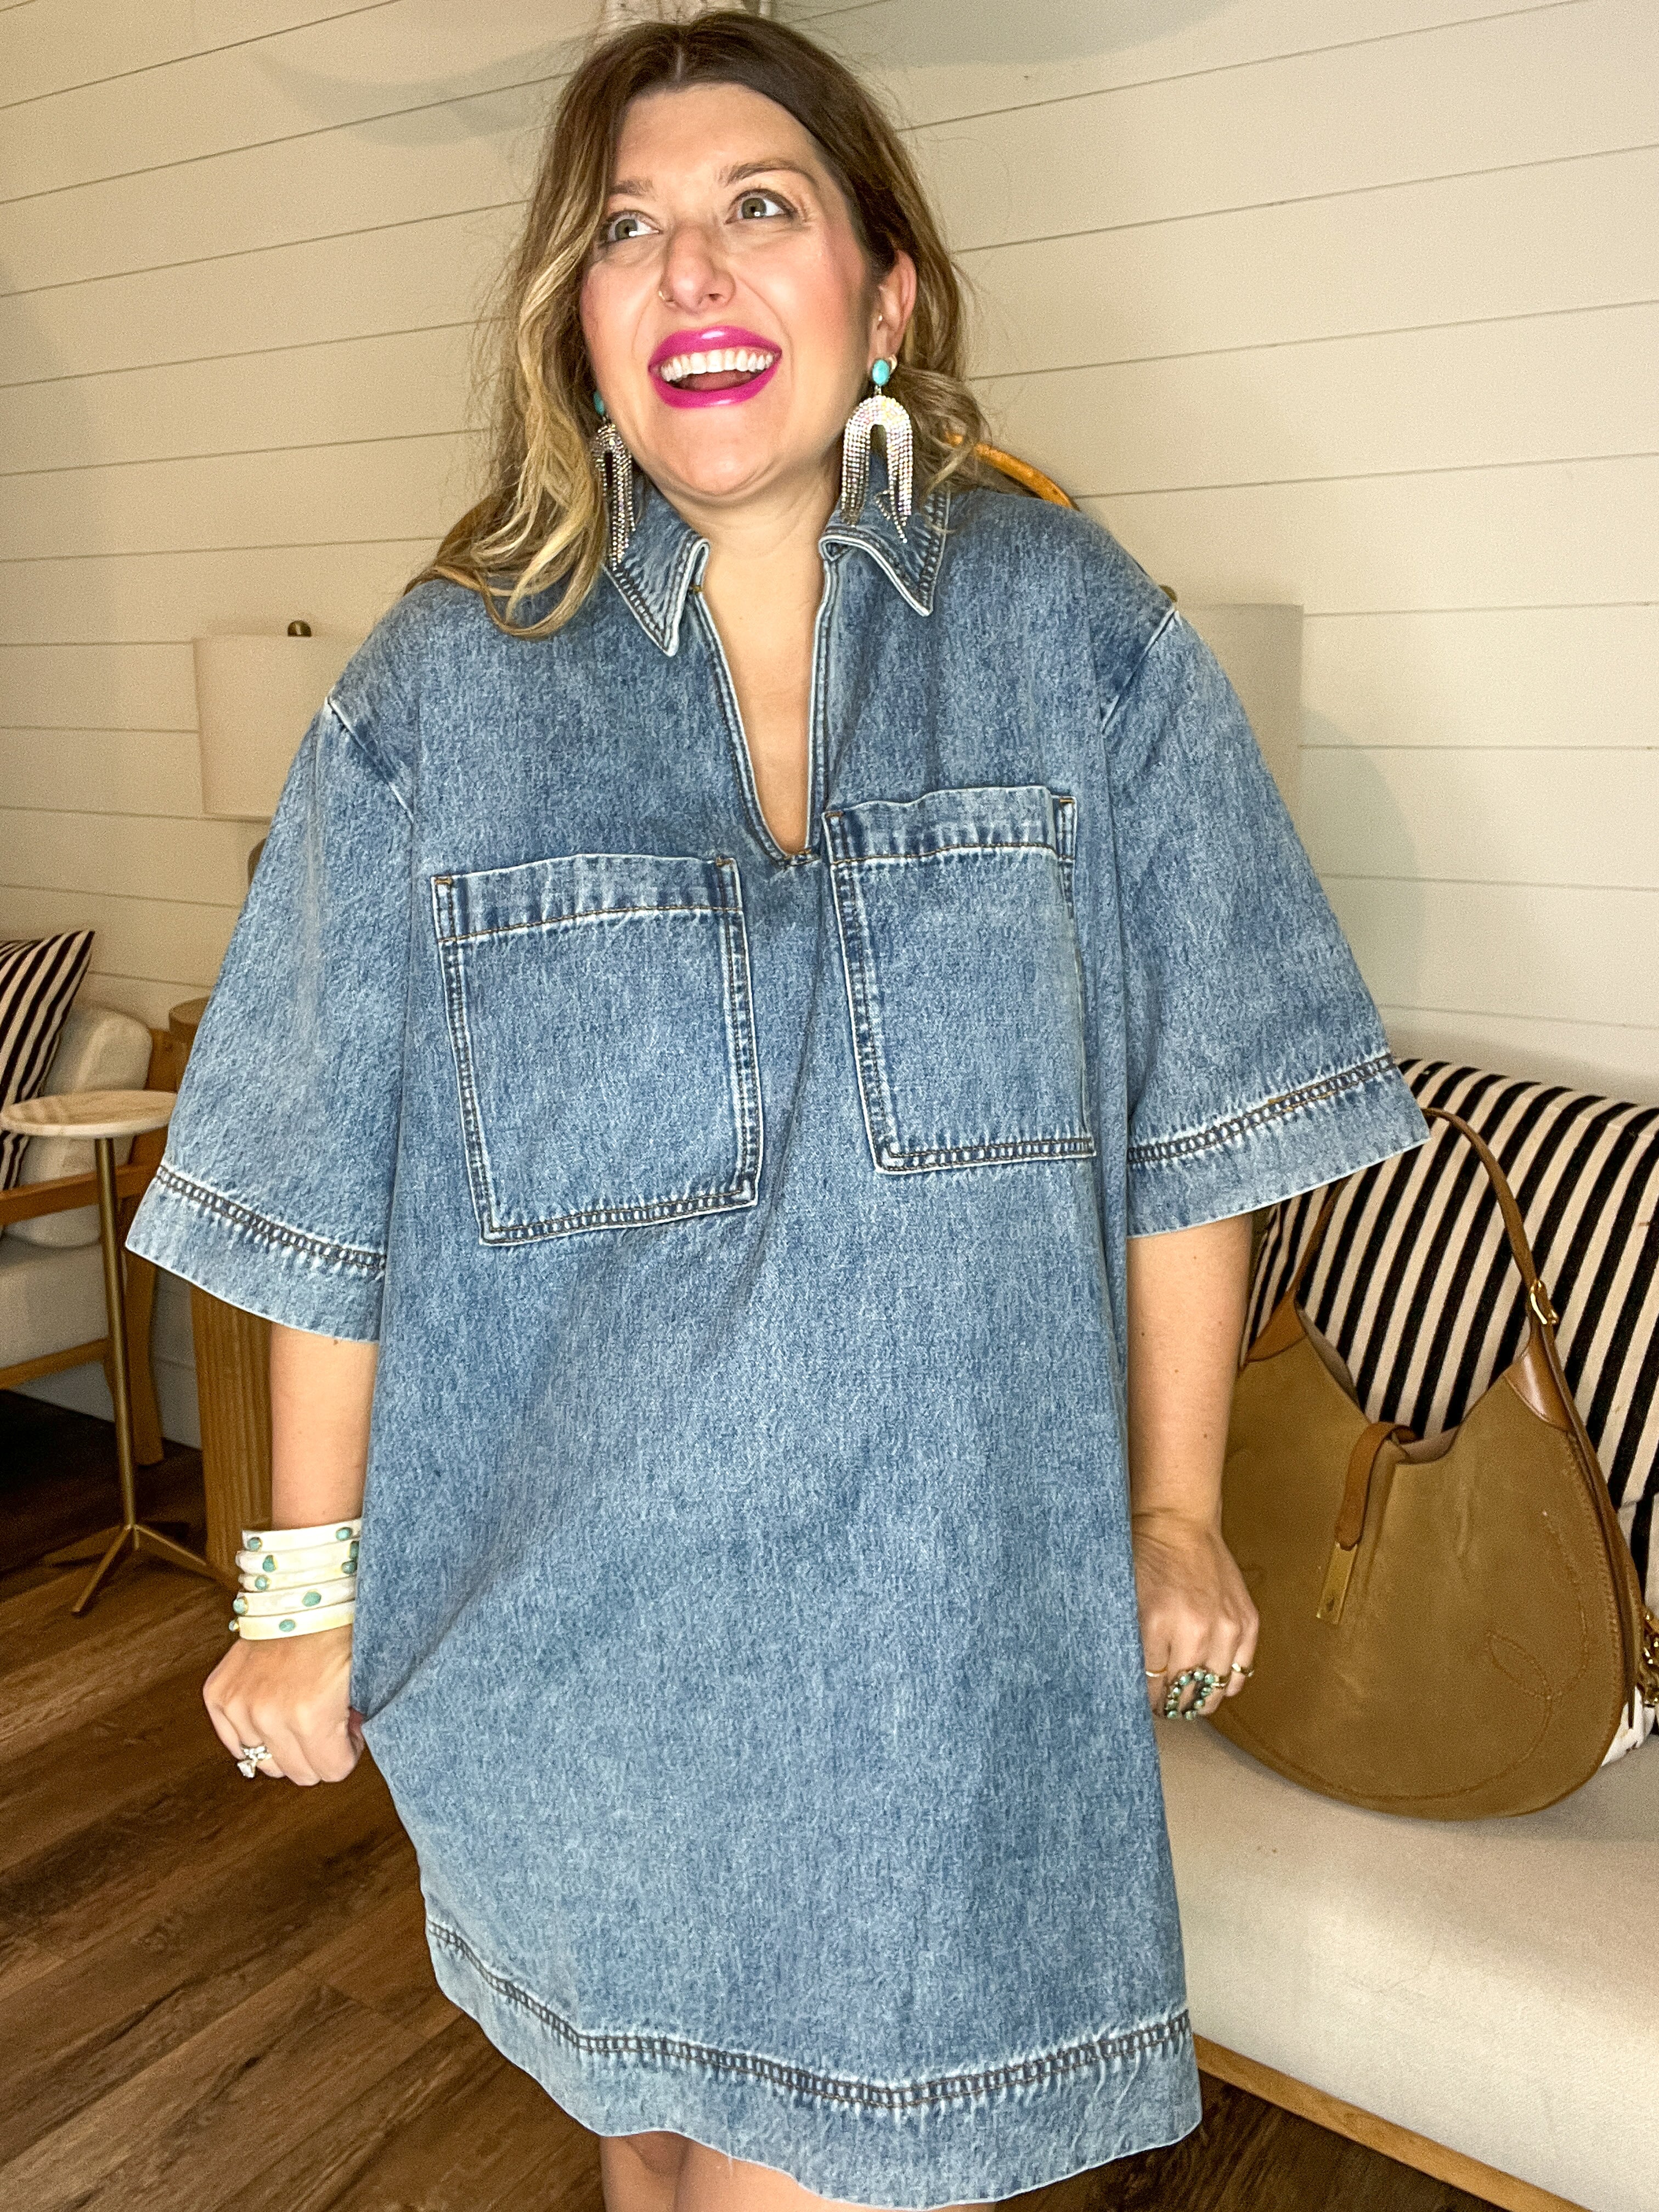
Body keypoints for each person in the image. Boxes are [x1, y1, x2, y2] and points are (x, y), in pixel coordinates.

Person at [127, 13, 1427, 2211]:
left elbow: (1192, 1116)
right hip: (575, 1648)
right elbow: (322, 1182)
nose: (693, 271)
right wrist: (295, 1587)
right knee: (647, 2144)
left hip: (929, 1659)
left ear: (885, 290)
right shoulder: (443, 687)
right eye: (626, 232)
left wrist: (1179, 1509)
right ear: (578, 328)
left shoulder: (1078, 637)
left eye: (760, 206)